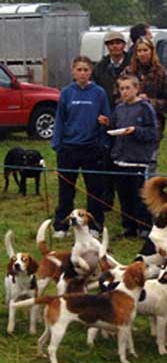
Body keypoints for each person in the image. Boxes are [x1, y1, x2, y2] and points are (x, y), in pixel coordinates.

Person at [51, 56, 111, 237]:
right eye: (79, 70)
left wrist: (103, 142)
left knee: (94, 190)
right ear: (73, 71)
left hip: (92, 148)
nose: (82, 73)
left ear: (90, 72)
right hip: (69, 148)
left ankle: (95, 226)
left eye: (86, 70)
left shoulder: (99, 93)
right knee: (66, 190)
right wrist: (57, 143)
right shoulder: (67, 93)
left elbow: (106, 118)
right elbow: (60, 119)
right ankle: (62, 226)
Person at [109, 74, 157, 238]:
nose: (124, 92)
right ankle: (128, 226)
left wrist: (136, 131)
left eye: (128, 88)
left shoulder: (145, 108)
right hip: (121, 158)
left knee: (139, 196)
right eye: (121, 89)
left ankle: (144, 226)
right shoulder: (119, 108)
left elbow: (152, 133)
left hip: (138, 160)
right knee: (124, 195)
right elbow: (113, 126)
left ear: (136, 89)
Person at [92, 30, 131, 209]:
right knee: (106, 159)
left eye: (118, 42)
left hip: (128, 115)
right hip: (107, 117)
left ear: (124, 45)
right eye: (111, 43)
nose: (115, 46)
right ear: (107, 47)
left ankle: (130, 201)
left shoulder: (133, 63)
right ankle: (107, 199)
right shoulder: (100, 67)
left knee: (126, 159)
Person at [123, 36, 167, 142]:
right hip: (129, 121)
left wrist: (150, 101)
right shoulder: (128, 72)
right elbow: (117, 97)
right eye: (139, 51)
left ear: (152, 51)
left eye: (145, 50)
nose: (142, 54)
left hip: (153, 123)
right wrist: (133, 99)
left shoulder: (161, 73)